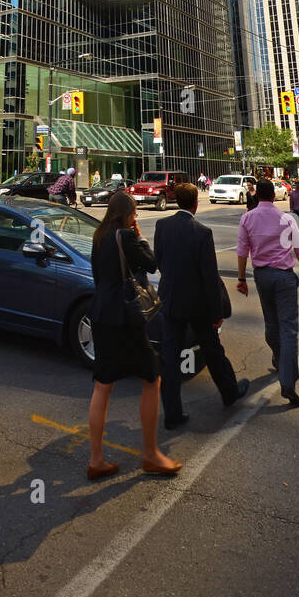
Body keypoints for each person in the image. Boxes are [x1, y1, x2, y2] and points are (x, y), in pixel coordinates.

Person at [87, 191, 180, 478]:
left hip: (101, 314)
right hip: (124, 317)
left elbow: (98, 276)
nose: (136, 217)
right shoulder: (125, 236)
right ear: (128, 214)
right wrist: (138, 235)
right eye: (135, 213)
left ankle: (96, 459)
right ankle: (151, 454)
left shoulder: (99, 236)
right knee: (152, 377)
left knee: (103, 385)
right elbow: (151, 263)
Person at [154, 182, 248, 428]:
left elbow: (159, 261)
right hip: (197, 304)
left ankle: (172, 413)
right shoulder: (202, 232)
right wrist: (217, 312)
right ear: (196, 204)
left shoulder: (161, 226)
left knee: (170, 358)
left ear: (176, 201)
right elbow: (209, 276)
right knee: (212, 350)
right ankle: (229, 392)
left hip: (170, 300)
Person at [236, 179, 299, 407]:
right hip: (284, 276)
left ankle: (279, 358)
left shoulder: (247, 218)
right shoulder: (286, 218)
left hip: (262, 276)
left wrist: (241, 278)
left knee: (271, 323)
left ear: (256, 195)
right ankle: (287, 382)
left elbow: (242, 250)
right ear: (275, 196)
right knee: (288, 329)